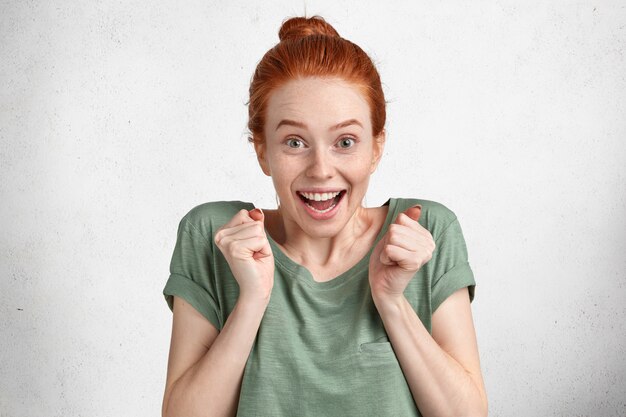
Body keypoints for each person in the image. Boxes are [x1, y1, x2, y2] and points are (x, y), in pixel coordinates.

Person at [161, 15, 487, 417]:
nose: (320, 169)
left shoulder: (426, 232)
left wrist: (391, 302)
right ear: (262, 150)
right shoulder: (214, 236)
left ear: (376, 148)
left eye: (345, 142)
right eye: (294, 142)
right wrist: (253, 300)